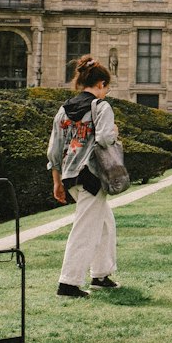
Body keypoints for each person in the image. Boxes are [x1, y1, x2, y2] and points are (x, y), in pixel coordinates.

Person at [47, 54, 120, 298]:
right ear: (100, 85)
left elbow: (54, 149)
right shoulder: (101, 106)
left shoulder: (63, 109)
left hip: (69, 175)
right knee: (85, 228)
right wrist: (114, 132)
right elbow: (104, 139)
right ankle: (68, 283)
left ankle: (100, 274)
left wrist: (56, 182)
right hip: (91, 174)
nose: (106, 92)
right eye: (106, 88)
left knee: (105, 223)